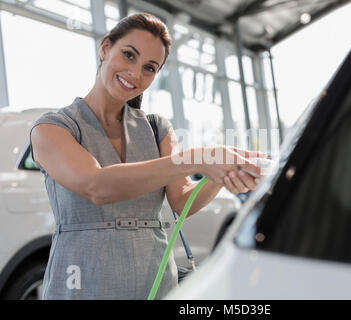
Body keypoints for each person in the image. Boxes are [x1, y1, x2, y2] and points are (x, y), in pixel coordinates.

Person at [29, 13, 265, 300]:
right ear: (105, 48)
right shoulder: (53, 127)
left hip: (154, 281)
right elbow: (97, 186)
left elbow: (181, 201)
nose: (135, 74)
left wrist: (220, 174)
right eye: (129, 55)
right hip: (82, 280)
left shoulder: (156, 128)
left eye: (149, 68)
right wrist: (198, 159)